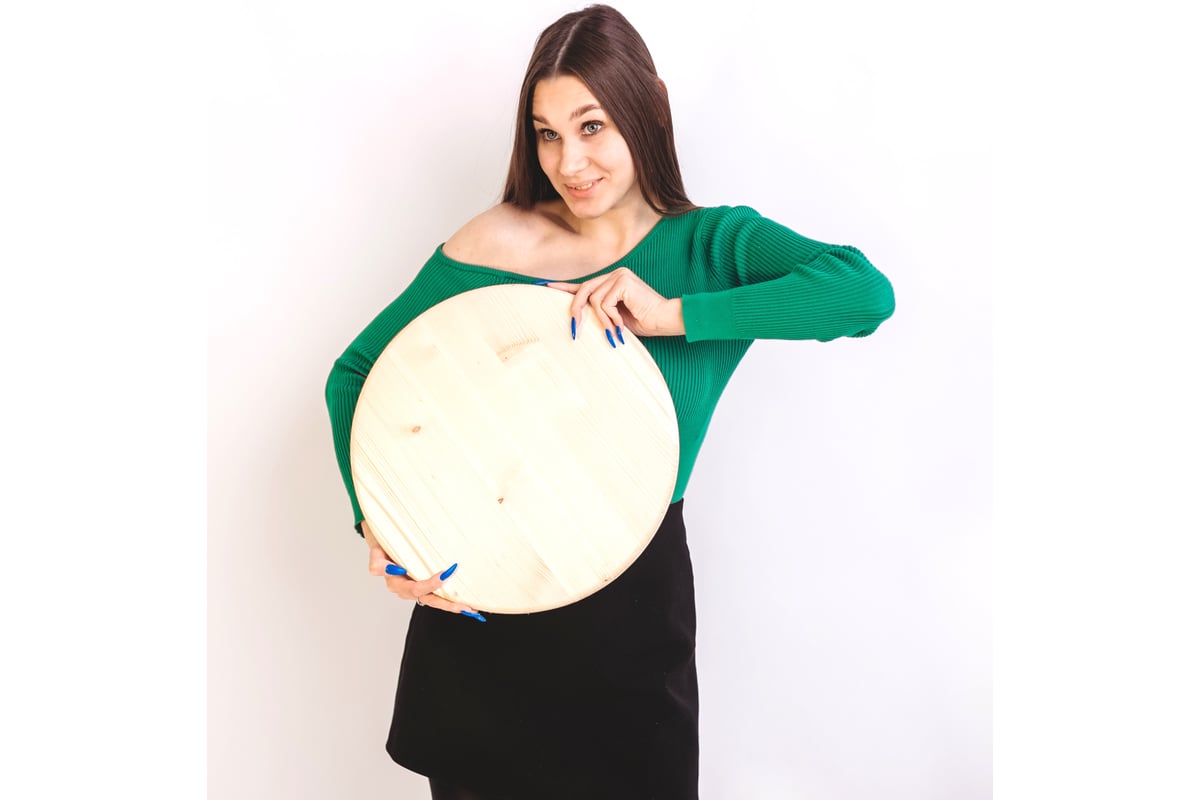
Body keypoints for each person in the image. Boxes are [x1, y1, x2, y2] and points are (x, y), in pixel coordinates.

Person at [325, 4, 895, 798]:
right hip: (481, 619)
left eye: (591, 126)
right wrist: (380, 523)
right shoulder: (495, 240)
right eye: (547, 134)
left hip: (630, 628)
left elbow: (863, 294)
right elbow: (355, 373)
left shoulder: (711, 248)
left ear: (649, 105)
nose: (570, 162)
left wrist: (673, 315)